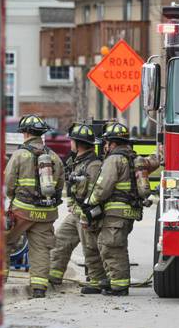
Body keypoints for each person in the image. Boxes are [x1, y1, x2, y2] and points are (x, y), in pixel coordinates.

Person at [4, 115, 64, 298]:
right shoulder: (53, 157)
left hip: (22, 210)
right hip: (46, 213)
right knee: (40, 249)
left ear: (26, 133)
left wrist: (12, 198)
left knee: (4, 242)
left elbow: (8, 183)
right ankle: (39, 288)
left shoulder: (19, 155)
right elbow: (60, 185)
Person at [48, 123, 109, 294]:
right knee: (60, 240)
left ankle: (98, 281)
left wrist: (88, 214)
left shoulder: (94, 164)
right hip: (75, 212)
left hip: (86, 214)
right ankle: (54, 275)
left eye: (72, 141)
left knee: (90, 248)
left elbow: (96, 190)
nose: (70, 144)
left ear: (78, 143)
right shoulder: (77, 161)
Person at [85, 122, 143, 296]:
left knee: (112, 247)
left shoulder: (114, 159)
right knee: (113, 244)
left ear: (113, 143)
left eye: (106, 143)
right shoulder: (133, 157)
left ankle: (119, 286)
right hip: (128, 211)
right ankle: (114, 281)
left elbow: (103, 187)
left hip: (117, 211)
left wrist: (90, 202)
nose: (105, 146)